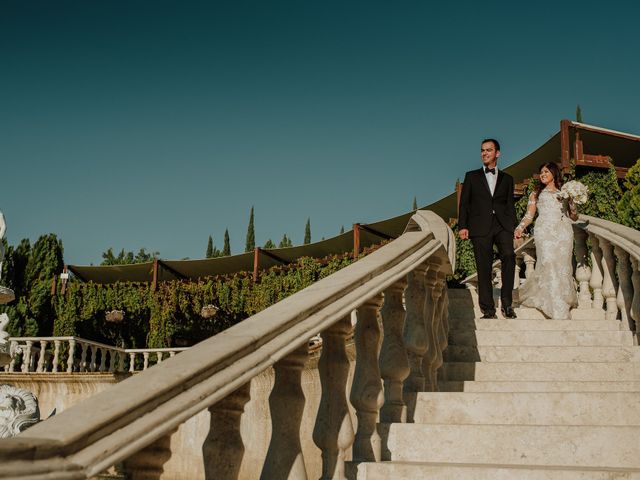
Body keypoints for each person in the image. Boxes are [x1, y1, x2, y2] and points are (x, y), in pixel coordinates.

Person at [459, 139, 517, 319]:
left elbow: (509, 205)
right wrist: (463, 226)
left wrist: (512, 225)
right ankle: (488, 309)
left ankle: (507, 304)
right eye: (482, 150)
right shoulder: (471, 176)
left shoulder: (508, 179)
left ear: (497, 153)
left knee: (509, 256)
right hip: (479, 225)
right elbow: (465, 203)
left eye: (489, 150)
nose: (484, 153)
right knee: (483, 267)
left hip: (502, 225)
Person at [514, 163, 578, 319]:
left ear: (554, 174)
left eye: (546, 171)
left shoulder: (565, 193)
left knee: (562, 266)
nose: (542, 174)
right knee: (547, 262)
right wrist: (520, 227)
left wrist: (572, 204)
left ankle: (561, 300)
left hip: (563, 232)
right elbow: (529, 216)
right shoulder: (536, 193)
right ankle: (550, 302)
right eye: (541, 172)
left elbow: (574, 217)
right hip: (544, 232)